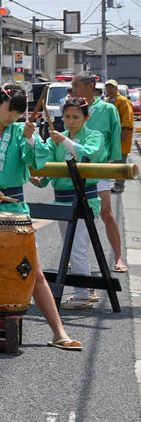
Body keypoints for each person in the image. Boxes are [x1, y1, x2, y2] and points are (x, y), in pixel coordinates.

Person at [0, 84, 81, 350]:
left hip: (14, 208)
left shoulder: (19, 131)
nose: (12, 116)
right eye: (9, 110)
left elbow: (36, 163)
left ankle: (59, 332)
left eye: (17, 112)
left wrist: (30, 139)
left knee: (33, 271)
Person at [34, 96, 106, 310]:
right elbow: (46, 163)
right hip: (62, 200)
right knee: (71, 246)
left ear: (86, 118)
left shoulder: (94, 136)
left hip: (85, 198)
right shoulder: (58, 138)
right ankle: (87, 288)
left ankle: (83, 294)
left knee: (77, 247)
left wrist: (64, 141)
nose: (71, 121)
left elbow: (90, 156)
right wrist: (39, 177)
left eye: (76, 117)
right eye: (67, 116)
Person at [71, 72, 127, 272]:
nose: (73, 89)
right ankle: (75, 256)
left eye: (76, 85)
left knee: (106, 212)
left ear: (90, 86)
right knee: (75, 212)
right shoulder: (73, 107)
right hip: (75, 167)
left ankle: (118, 257)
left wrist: (113, 162)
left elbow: (115, 134)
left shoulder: (107, 109)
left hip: (98, 166)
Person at [104, 79, 134, 193]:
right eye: (108, 87)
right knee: (108, 158)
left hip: (121, 134)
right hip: (111, 135)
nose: (109, 89)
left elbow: (127, 117)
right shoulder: (107, 101)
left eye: (112, 87)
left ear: (116, 89)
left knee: (120, 160)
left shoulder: (123, 100)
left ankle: (119, 185)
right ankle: (106, 183)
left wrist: (125, 131)